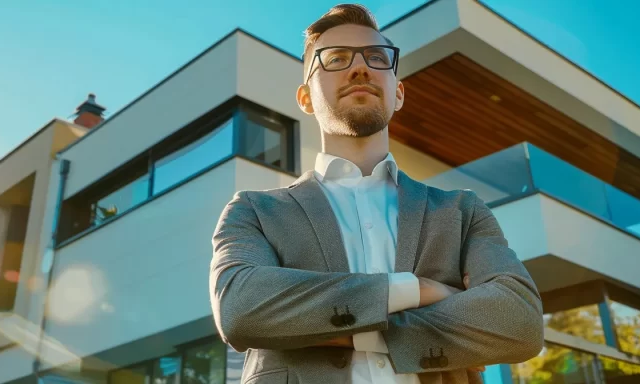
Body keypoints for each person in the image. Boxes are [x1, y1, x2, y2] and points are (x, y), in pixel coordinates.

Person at [209, 4, 544, 383]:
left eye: (376, 57)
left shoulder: (462, 211)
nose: (360, 68)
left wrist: (319, 325)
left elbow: (520, 323)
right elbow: (242, 310)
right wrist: (419, 290)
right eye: (335, 58)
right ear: (305, 98)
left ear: (398, 93)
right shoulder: (253, 211)